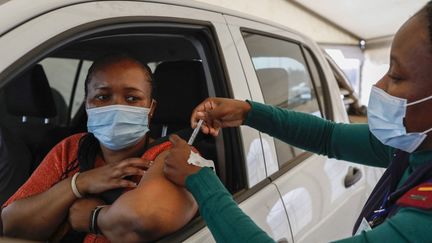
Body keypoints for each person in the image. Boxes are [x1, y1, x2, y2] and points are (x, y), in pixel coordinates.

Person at [164, 2, 432, 242]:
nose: (379, 85)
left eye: (396, 76)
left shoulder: (423, 224)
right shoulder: (415, 148)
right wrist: (248, 112)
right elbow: (328, 137)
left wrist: (200, 180)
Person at [1, 54, 198, 242]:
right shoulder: (72, 149)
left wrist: (91, 217)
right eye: (102, 97)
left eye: (132, 99)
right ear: (87, 105)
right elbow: (11, 225)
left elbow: (140, 220)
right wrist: (78, 184)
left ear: (151, 108)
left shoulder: (173, 155)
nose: (117, 107)